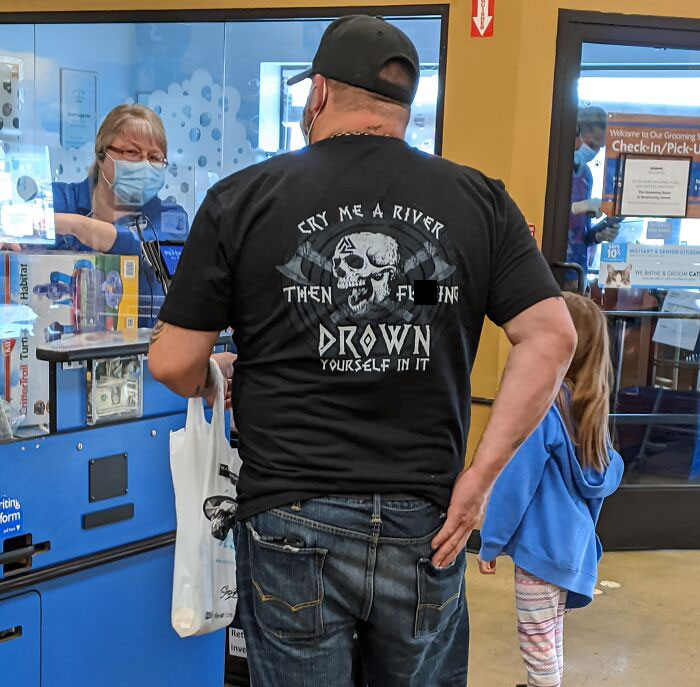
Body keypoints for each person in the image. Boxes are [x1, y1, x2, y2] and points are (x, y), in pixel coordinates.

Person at [148, 15, 577, 687]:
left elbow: (172, 362)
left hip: (292, 513)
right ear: (403, 107)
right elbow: (553, 336)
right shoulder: (479, 200)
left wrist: (213, 374)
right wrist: (480, 480)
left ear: (318, 93)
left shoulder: (243, 198)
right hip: (427, 518)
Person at [478, 291, 624, 687]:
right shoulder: (589, 411)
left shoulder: (544, 408)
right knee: (551, 639)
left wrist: (490, 542)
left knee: (538, 648)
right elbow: (602, 481)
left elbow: (515, 485)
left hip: (541, 554)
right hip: (573, 551)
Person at [51, 104, 188, 322]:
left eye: (154, 157)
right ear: (101, 155)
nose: (145, 165)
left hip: (143, 342)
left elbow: (144, 252)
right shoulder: (57, 200)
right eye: (132, 152)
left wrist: (77, 225)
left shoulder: (170, 219)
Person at [566, 106, 619, 288]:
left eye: (599, 147)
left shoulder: (585, 175)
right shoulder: (554, 167)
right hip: (553, 268)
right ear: (575, 133)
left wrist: (599, 235)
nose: (594, 152)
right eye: (592, 144)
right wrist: (581, 206)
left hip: (577, 271)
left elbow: (581, 235)